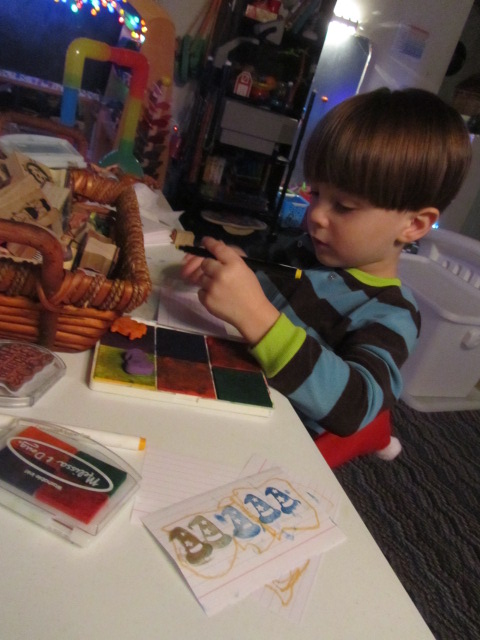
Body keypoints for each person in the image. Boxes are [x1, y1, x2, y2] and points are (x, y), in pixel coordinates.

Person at [181, 88, 472, 455]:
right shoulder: (305, 249)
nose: (316, 214)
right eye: (316, 193)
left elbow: (354, 407)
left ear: (413, 225)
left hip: (272, 444)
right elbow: (258, 276)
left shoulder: (392, 313)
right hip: (229, 385)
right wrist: (235, 267)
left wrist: (257, 316)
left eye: (344, 206)